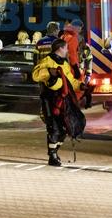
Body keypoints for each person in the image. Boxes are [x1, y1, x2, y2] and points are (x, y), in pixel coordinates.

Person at [32, 38, 89, 166]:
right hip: (50, 99)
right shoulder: (47, 61)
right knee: (54, 128)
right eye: (66, 48)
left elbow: (70, 81)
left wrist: (81, 86)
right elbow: (35, 75)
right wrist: (50, 72)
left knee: (64, 129)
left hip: (62, 101)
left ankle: (53, 152)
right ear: (60, 48)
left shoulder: (64, 64)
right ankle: (52, 156)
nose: (68, 50)